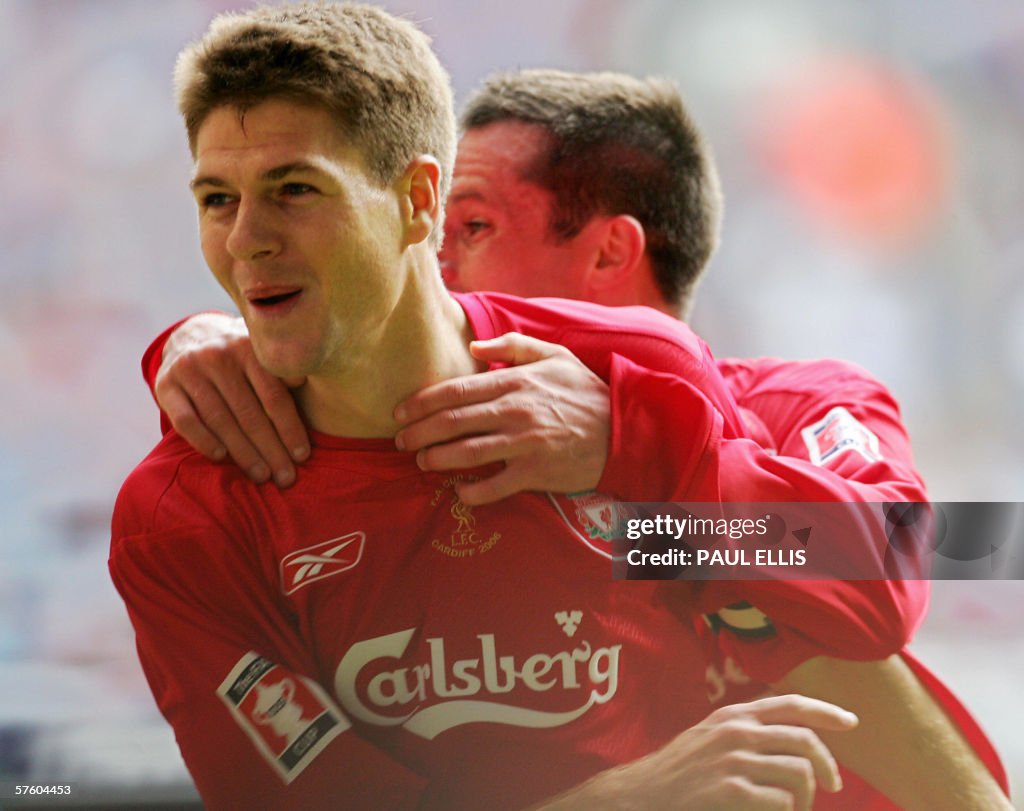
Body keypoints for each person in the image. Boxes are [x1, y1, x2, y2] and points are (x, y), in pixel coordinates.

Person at [113, 7, 1009, 809]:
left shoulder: (769, 408)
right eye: (219, 200)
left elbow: (918, 565)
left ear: (608, 258)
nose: (439, 270)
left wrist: (640, 452)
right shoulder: (226, 475)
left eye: (474, 226)